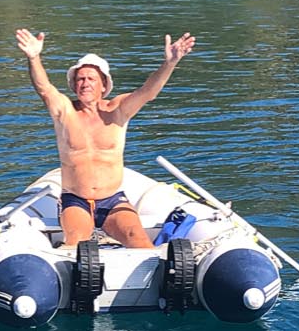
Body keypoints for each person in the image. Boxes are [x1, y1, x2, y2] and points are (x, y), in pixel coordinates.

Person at [13, 28, 194, 247]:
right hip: (75, 199)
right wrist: (34, 57)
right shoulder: (65, 111)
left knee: (138, 240)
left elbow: (148, 92)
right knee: (78, 242)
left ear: (103, 85)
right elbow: (44, 89)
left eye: (91, 79)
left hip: (113, 200)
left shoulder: (117, 109)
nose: (85, 83)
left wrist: (170, 63)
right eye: (80, 79)